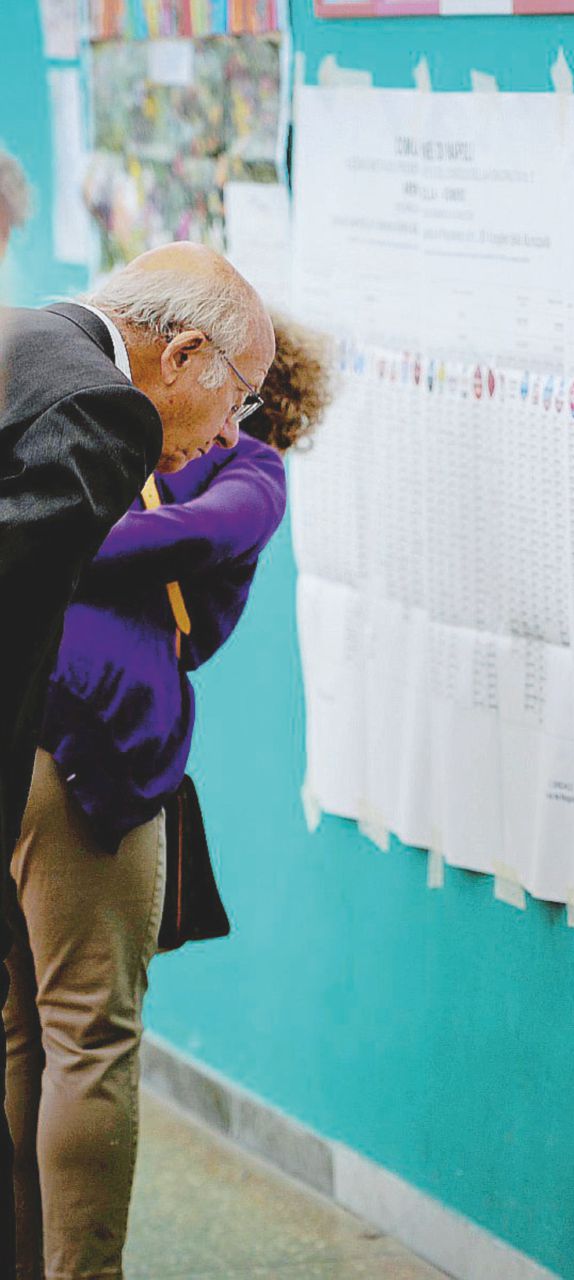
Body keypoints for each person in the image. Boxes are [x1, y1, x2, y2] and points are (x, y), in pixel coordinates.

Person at [3, 312, 329, 1280]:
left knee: (30, 1028)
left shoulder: (238, 469)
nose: (220, 426)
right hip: (86, 747)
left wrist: (68, 523)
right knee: (82, 1034)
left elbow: (167, 538)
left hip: (37, 717)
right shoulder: (117, 429)